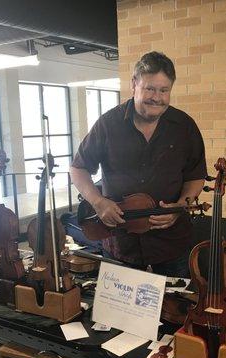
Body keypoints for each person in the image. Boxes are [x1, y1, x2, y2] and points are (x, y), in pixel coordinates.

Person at [69, 51, 206, 277]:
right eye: (150, 88)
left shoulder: (184, 126)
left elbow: (195, 175)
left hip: (171, 244)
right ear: (134, 84)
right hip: (121, 244)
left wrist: (180, 206)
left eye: (164, 90)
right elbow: (78, 168)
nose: (157, 97)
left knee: (176, 309)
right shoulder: (108, 124)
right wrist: (98, 202)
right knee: (119, 312)